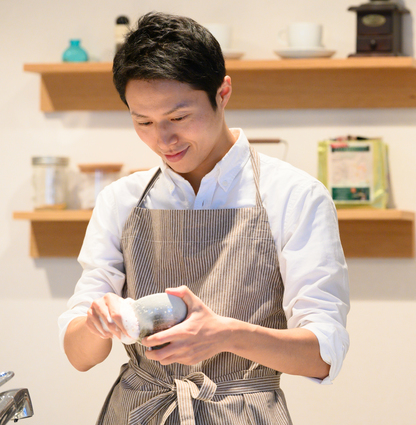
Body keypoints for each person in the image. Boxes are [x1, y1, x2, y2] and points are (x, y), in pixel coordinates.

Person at [58, 12, 349, 425]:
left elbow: (323, 355)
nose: (163, 140)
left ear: (222, 92)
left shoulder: (294, 196)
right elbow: (79, 356)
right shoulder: (121, 200)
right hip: (138, 411)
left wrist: (226, 334)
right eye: (143, 122)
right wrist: (98, 321)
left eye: (178, 118)